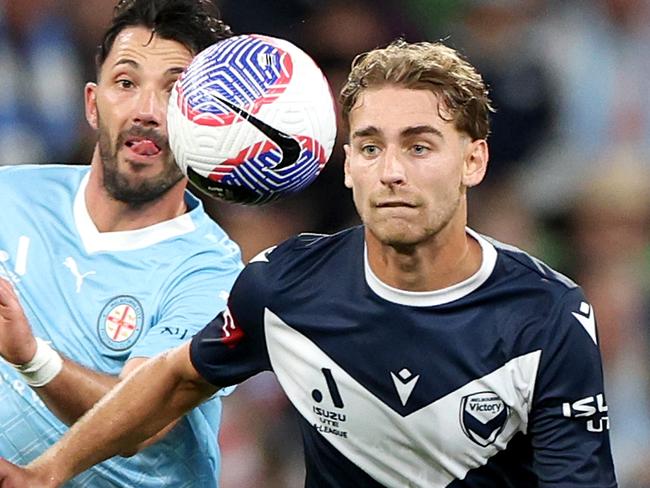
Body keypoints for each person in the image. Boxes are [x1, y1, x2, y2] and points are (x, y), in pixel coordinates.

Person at [0, 39, 617, 487]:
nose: (392, 172)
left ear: (474, 162)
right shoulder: (285, 285)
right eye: (371, 147)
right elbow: (175, 378)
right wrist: (49, 470)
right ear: (347, 166)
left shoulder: (548, 318)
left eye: (420, 146)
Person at [0, 0, 242, 486]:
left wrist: (31, 356)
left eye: (176, 90)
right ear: (92, 103)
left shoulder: (213, 272)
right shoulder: (10, 196)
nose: (147, 111)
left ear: (207, 120)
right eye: (127, 83)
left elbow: (145, 421)